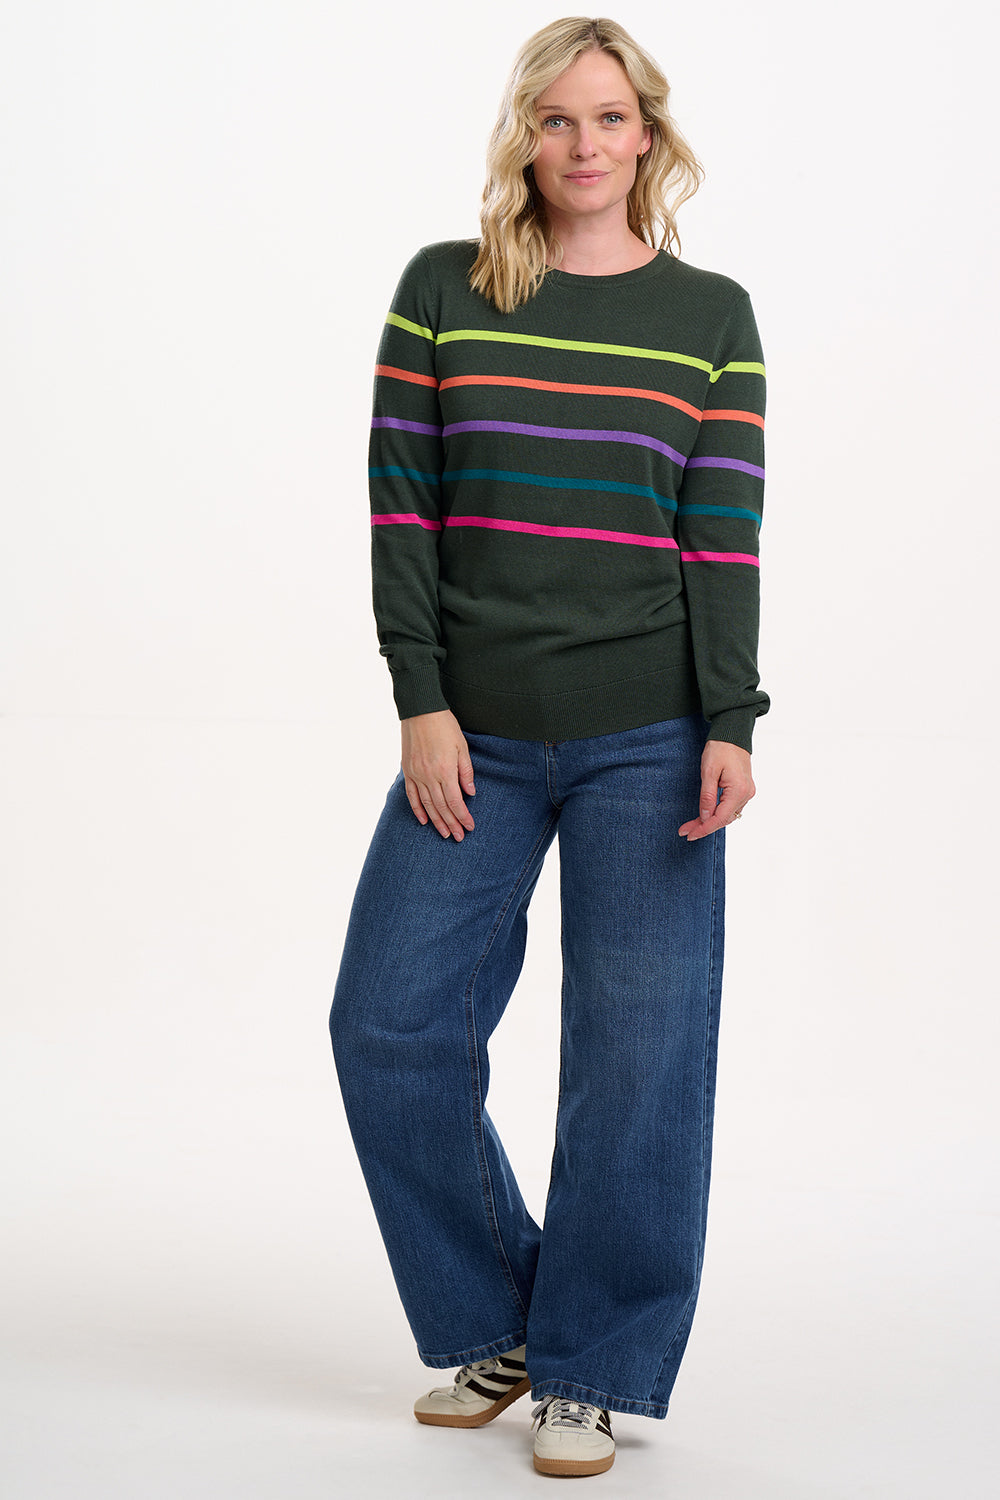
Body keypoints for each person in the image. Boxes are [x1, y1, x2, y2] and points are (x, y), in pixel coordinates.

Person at [329, 14, 767, 1479]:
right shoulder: (443, 292)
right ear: (526, 135)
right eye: (557, 119)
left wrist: (730, 721)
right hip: (478, 737)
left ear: (650, 135)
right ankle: (505, 1315)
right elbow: (403, 505)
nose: (585, 144)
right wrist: (422, 697)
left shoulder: (713, 316)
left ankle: (592, 1367)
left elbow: (720, 536)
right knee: (387, 1021)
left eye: (611, 117)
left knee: (638, 1059)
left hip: (653, 735)